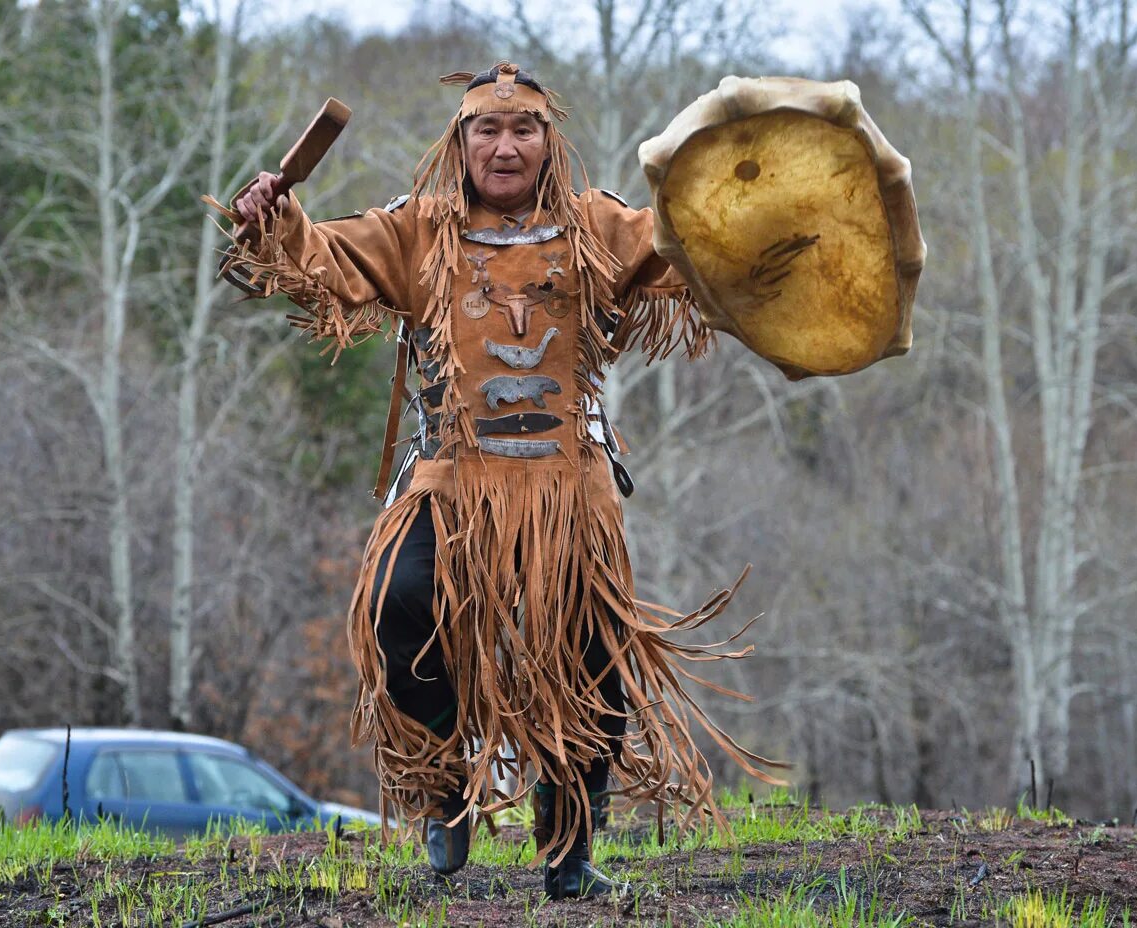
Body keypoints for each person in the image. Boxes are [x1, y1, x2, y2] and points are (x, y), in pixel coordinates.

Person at [221, 61, 784, 900]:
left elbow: (682, 249)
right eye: (487, 129)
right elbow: (323, 258)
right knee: (396, 603)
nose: (506, 145)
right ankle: (441, 785)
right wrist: (275, 214)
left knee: (592, 660)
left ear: (548, 144)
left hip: (567, 487)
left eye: (523, 130)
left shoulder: (595, 226)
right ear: (461, 143)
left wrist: (756, 222)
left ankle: (569, 857)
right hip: (452, 481)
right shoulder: (419, 231)